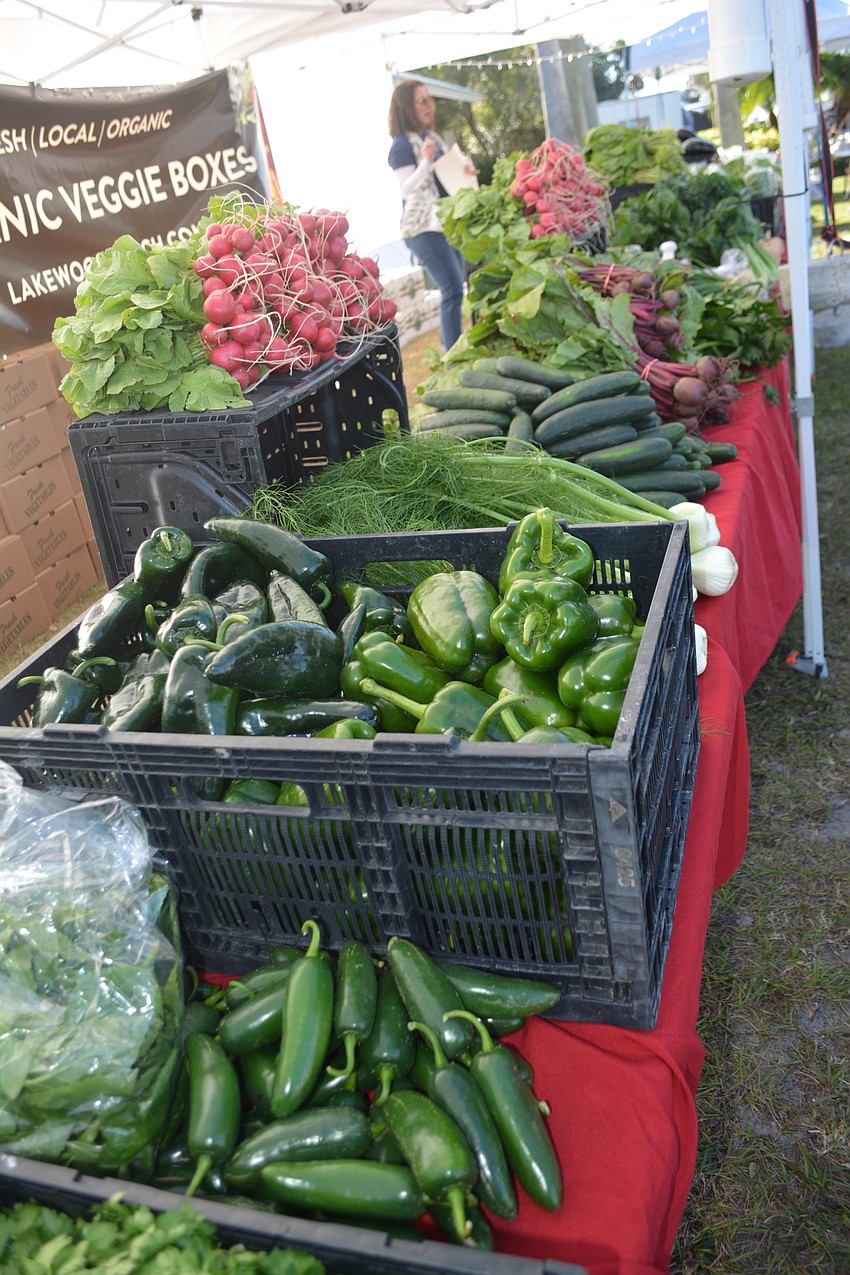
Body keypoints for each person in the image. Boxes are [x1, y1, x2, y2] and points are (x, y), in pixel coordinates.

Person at [388, 79, 475, 352]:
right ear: (406, 106)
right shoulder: (401, 145)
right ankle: (451, 353)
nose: (429, 105)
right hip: (422, 229)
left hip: (444, 223)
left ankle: (453, 347)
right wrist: (425, 161)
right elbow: (406, 187)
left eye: (429, 99)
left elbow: (447, 176)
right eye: (421, 100)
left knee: (457, 286)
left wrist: (466, 171)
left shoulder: (431, 138)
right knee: (451, 288)